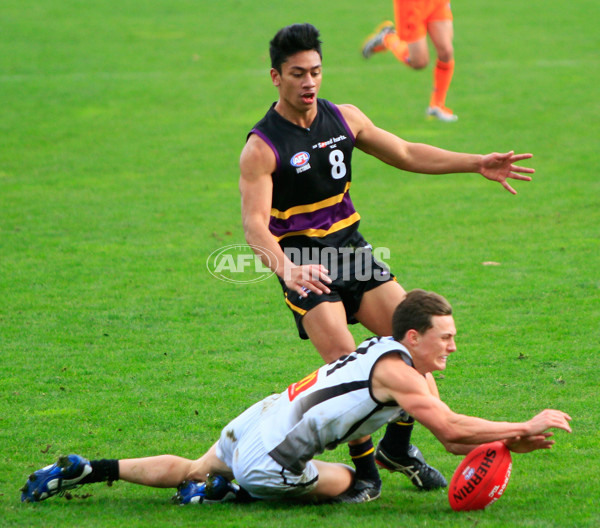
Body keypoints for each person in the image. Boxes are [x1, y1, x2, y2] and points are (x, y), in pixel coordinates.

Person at [239, 23, 534, 501]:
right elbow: (255, 225)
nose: (309, 82)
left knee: (411, 349)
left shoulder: (346, 118)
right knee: (346, 367)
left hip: (352, 251)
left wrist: (475, 162)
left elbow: (405, 152)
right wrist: (286, 270)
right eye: (297, 74)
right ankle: (366, 475)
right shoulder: (261, 147)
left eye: (315, 71)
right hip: (304, 264)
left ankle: (396, 449)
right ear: (276, 77)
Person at [21, 290, 572, 505]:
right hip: (274, 456)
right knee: (350, 483)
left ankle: (86, 469)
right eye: (444, 337)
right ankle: (225, 493)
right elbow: (451, 431)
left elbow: (454, 440)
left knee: (190, 464)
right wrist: (522, 422)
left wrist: (511, 439)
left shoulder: (385, 351)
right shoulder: (404, 378)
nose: (453, 345)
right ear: (412, 338)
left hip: (260, 414)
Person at [362, 1, 458, 122]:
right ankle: (388, 37)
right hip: (411, 5)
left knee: (446, 51)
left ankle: (437, 105)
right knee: (419, 62)